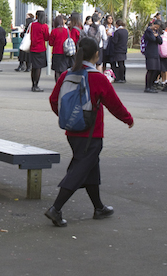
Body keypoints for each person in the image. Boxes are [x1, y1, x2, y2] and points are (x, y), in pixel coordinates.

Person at [45, 37, 134, 227]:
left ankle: (98, 207)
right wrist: (128, 119)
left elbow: (54, 100)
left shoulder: (67, 75)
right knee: (79, 170)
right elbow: (114, 104)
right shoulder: (97, 77)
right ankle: (56, 208)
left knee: (91, 166)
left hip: (72, 132)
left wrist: (68, 117)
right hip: (92, 133)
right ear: (96, 54)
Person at [29, 9, 50, 92]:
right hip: (40, 48)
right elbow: (46, 37)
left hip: (33, 48)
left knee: (34, 67)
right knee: (38, 68)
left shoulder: (33, 25)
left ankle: (33, 84)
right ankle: (36, 85)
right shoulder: (44, 26)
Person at [49, 14, 72, 83]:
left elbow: (50, 43)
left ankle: (57, 84)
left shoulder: (54, 31)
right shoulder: (67, 31)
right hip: (65, 52)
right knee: (64, 70)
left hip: (56, 52)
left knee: (57, 70)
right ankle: (63, 84)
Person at [143, 20, 163, 93]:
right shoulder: (148, 31)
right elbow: (152, 39)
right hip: (150, 52)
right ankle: (148, 86)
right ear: (153, 24)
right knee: (150, 70)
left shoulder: (156, 32)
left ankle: (151, 84)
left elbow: (160, 41)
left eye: (157, 28)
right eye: (155, 26)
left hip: (155, 53)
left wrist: (157, 35)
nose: (155, 28)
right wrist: (154, 35)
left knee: (156, 70)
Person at [110, 19, 128, 83]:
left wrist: (111, 36)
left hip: (118, 50)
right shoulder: (125, 31)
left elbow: (115, 41)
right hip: (124, 49)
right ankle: (123, 77)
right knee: (122, 64)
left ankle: (119, 77)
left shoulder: (117, 32)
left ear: (117, 25)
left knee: (119, 64)